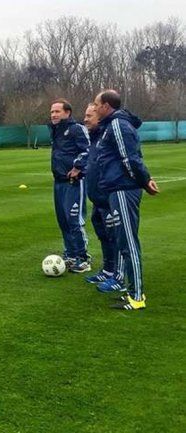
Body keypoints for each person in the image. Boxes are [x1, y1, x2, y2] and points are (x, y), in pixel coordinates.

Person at [93, 90, 159, 310]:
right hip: (115, 188)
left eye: (96, 104)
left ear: (106, 106)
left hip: (123, 189)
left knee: (128, 242)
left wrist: (145, 180)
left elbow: (130, 158)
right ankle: (132, 291)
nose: (94, 108)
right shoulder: (111, 126)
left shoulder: (118, 126)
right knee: (123, 241)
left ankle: (137, 297)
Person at [48, 98, 91, 272]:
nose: (53, 115)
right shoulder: (56, 131)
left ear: (67, 112)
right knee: (63, 221)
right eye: (52, 111)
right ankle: (71, 255)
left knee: (74, 220)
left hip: (74, 182)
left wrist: (77, 167)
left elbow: (88, 150)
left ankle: (83, 258)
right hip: (58, 182)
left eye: (57, 111)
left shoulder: (76, 129)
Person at [82, 103, 119, 286]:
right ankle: (108, 270)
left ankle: (118, 276)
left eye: (89, 116)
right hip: (97, 199)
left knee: (115, 236)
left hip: (109, 198)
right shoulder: (94, 138)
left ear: (100, 116)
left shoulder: (108, 137)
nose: (85, 119)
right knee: (103, 235)